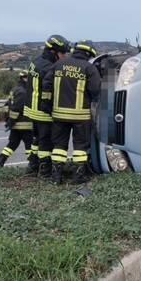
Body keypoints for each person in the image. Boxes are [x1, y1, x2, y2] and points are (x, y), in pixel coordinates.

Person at [43, 40, 100, 184]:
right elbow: (96, 91)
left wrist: (46, 104)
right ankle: (78, 177)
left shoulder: (59, 64)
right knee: (80, 147)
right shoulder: (89, 68)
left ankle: (56, 177)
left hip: (58, 115)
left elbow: (46, 84)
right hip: (80, 116)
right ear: (88, 53)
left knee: (59, 147)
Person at [24, 35, 70, 177]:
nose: (64, 56)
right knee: (46, 142)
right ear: (53, 51)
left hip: (32, 109)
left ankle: (33, 165)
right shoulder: (49, 67)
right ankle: (45, 171)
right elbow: (51, 89)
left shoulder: (36, 61)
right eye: (62, 53)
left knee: (37, 141)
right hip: (42, 111)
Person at [0, 70, 33, 167]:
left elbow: (7, 105)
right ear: (24, 78)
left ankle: (0, 162)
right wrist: (11, 121)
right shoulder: (23, 92)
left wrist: (8, 120)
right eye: (29, 78)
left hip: (15, 126)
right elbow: (16, 109)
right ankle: (33, 165)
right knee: (30, 146)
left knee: (12, 145)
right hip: (25, 125)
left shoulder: (15, 89)